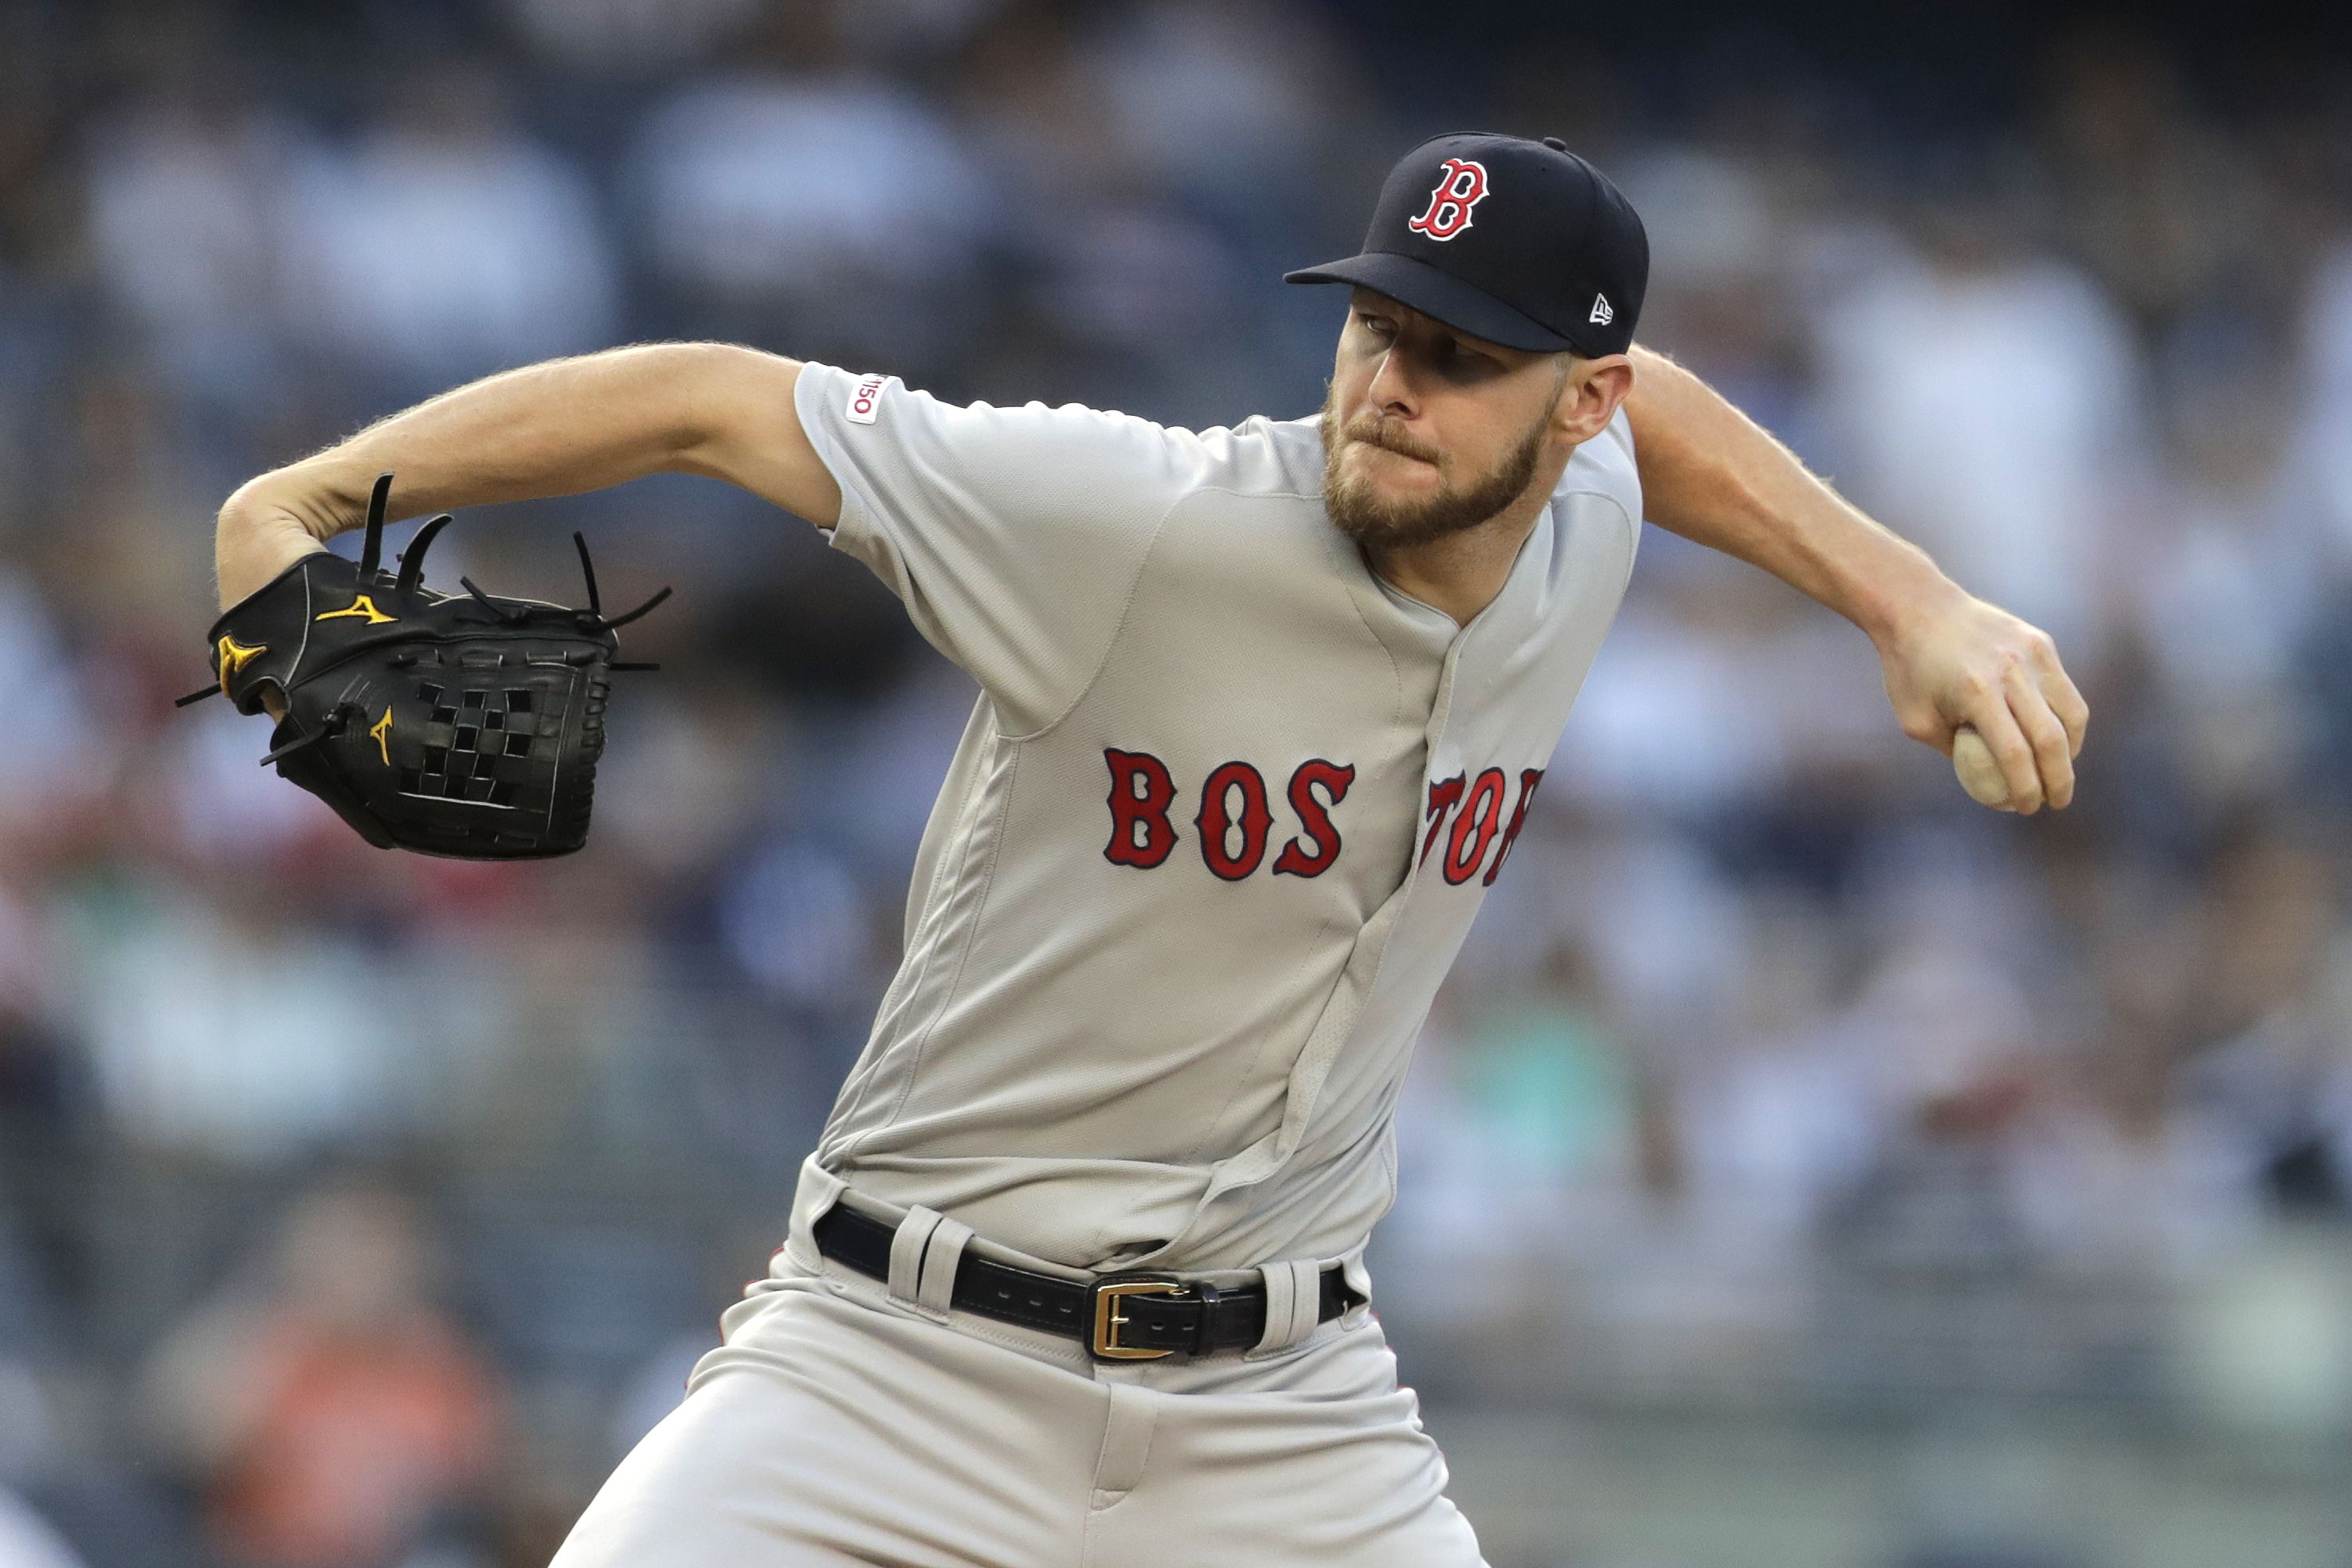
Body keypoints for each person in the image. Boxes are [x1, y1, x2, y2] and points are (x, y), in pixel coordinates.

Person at [211, 133, 2086, 1566]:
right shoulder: (1128, 522)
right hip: (897, 1355)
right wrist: (301, 504)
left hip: (1288, 1410)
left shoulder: (1586, 506)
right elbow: (714, 400)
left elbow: (1659, 412)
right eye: (1380, 326)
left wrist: (1905, 600)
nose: (1393, 385)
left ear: (1569, 403)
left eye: (1464, 356)